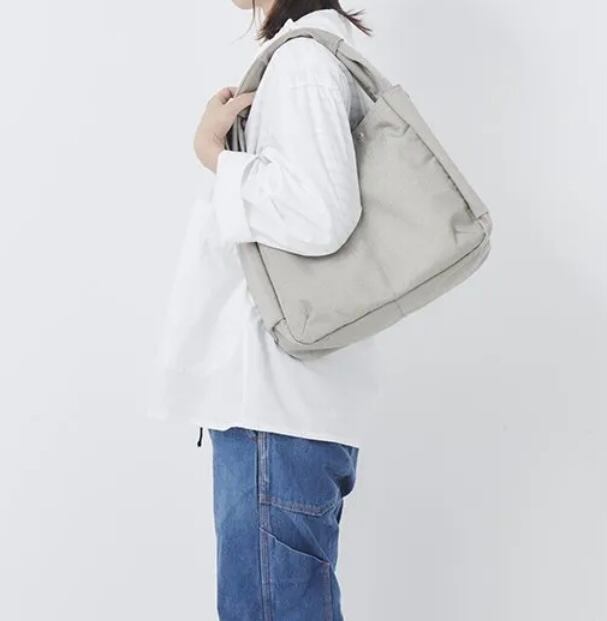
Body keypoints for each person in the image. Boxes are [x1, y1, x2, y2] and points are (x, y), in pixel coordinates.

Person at [150, 1, 380, 618]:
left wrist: (213, 153)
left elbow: (323, 214)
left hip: (275, 406)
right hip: (286, 401)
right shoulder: (313, 53)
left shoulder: (303, 62)